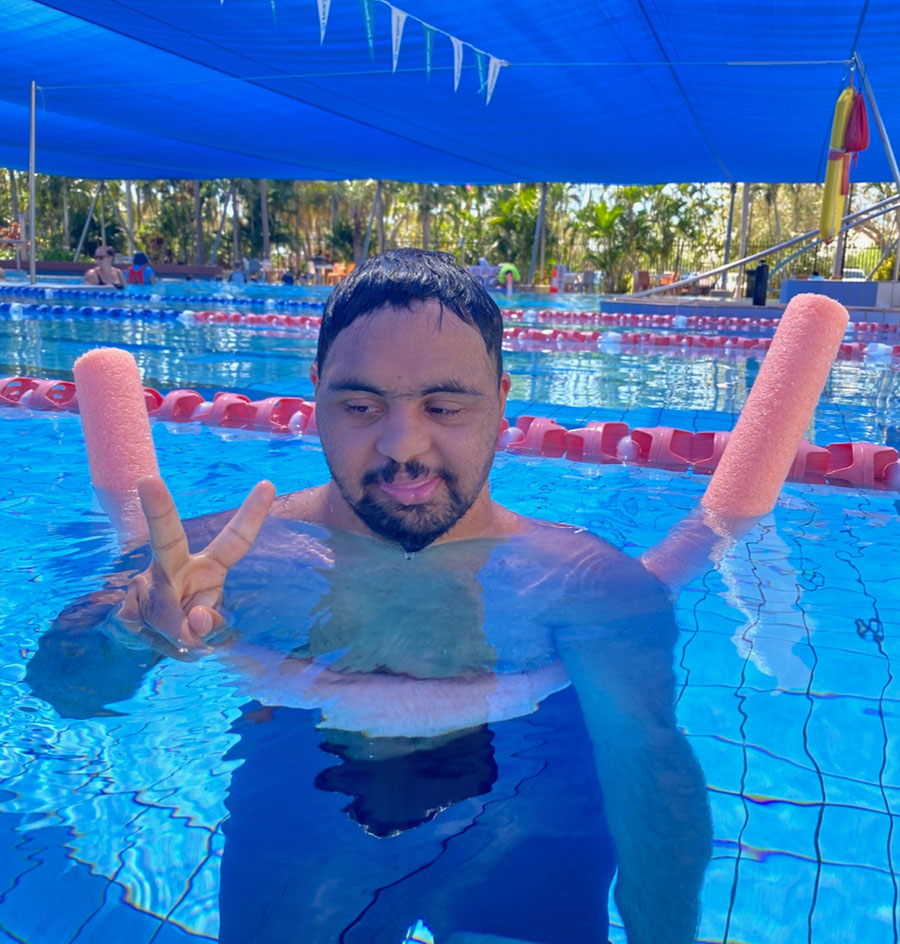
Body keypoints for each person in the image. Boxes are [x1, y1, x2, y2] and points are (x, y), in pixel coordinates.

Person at [29, 249, 711, 943]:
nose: (402, 445)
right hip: (302, 787)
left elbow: (650, 773)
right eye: (361, 405)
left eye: (444, 405)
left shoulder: (587, 587)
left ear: (503, 401)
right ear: (316, 392)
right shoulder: (214, 560)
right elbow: (63, 688)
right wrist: (129, 634)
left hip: (530, 795)